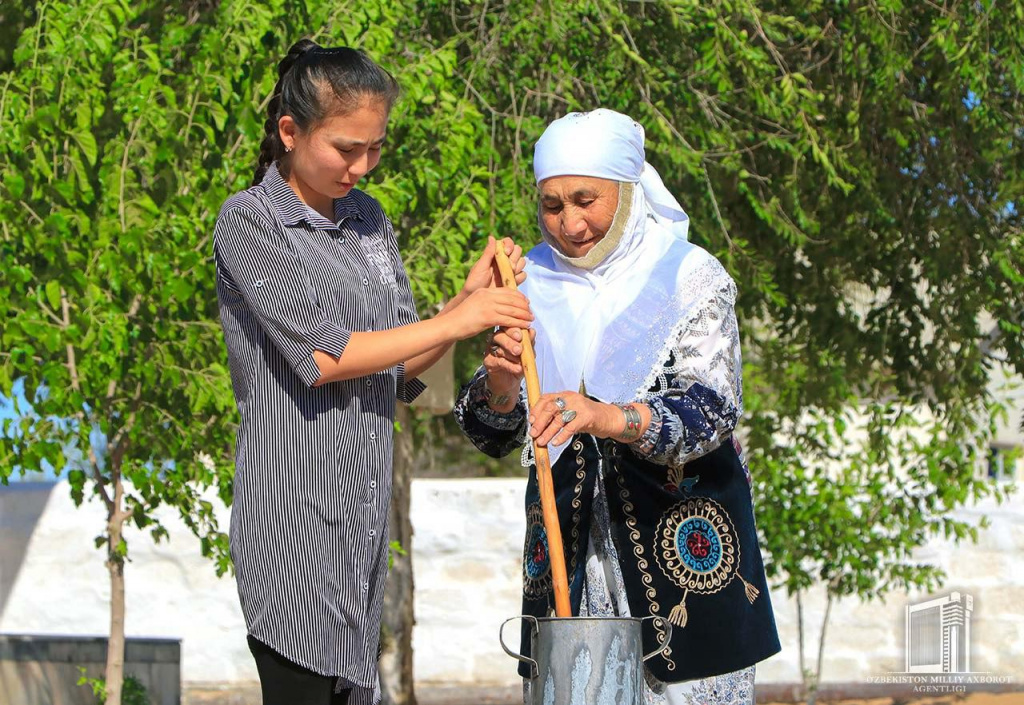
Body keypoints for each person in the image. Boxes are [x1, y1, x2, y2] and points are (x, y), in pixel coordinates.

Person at [213, 39, 531, 705]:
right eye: (347, 148)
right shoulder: (249, 220)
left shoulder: (369, 221)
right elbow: (326, 359)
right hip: (294, 523)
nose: (363, 166)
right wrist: (456, 319)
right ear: (290, 132)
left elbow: (393, 361)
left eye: (376, 147)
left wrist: (459, 304)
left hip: (360, 524)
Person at [454, 109, 780, 704]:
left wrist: (605, 415)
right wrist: (499, 385)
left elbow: (711, 410)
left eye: (586, 200)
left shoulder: (689, 277)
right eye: (551, 205)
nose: (569, 223)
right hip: (568, 562)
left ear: (628, 192)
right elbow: (494, 431)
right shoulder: (525, 282)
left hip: (684, 555)